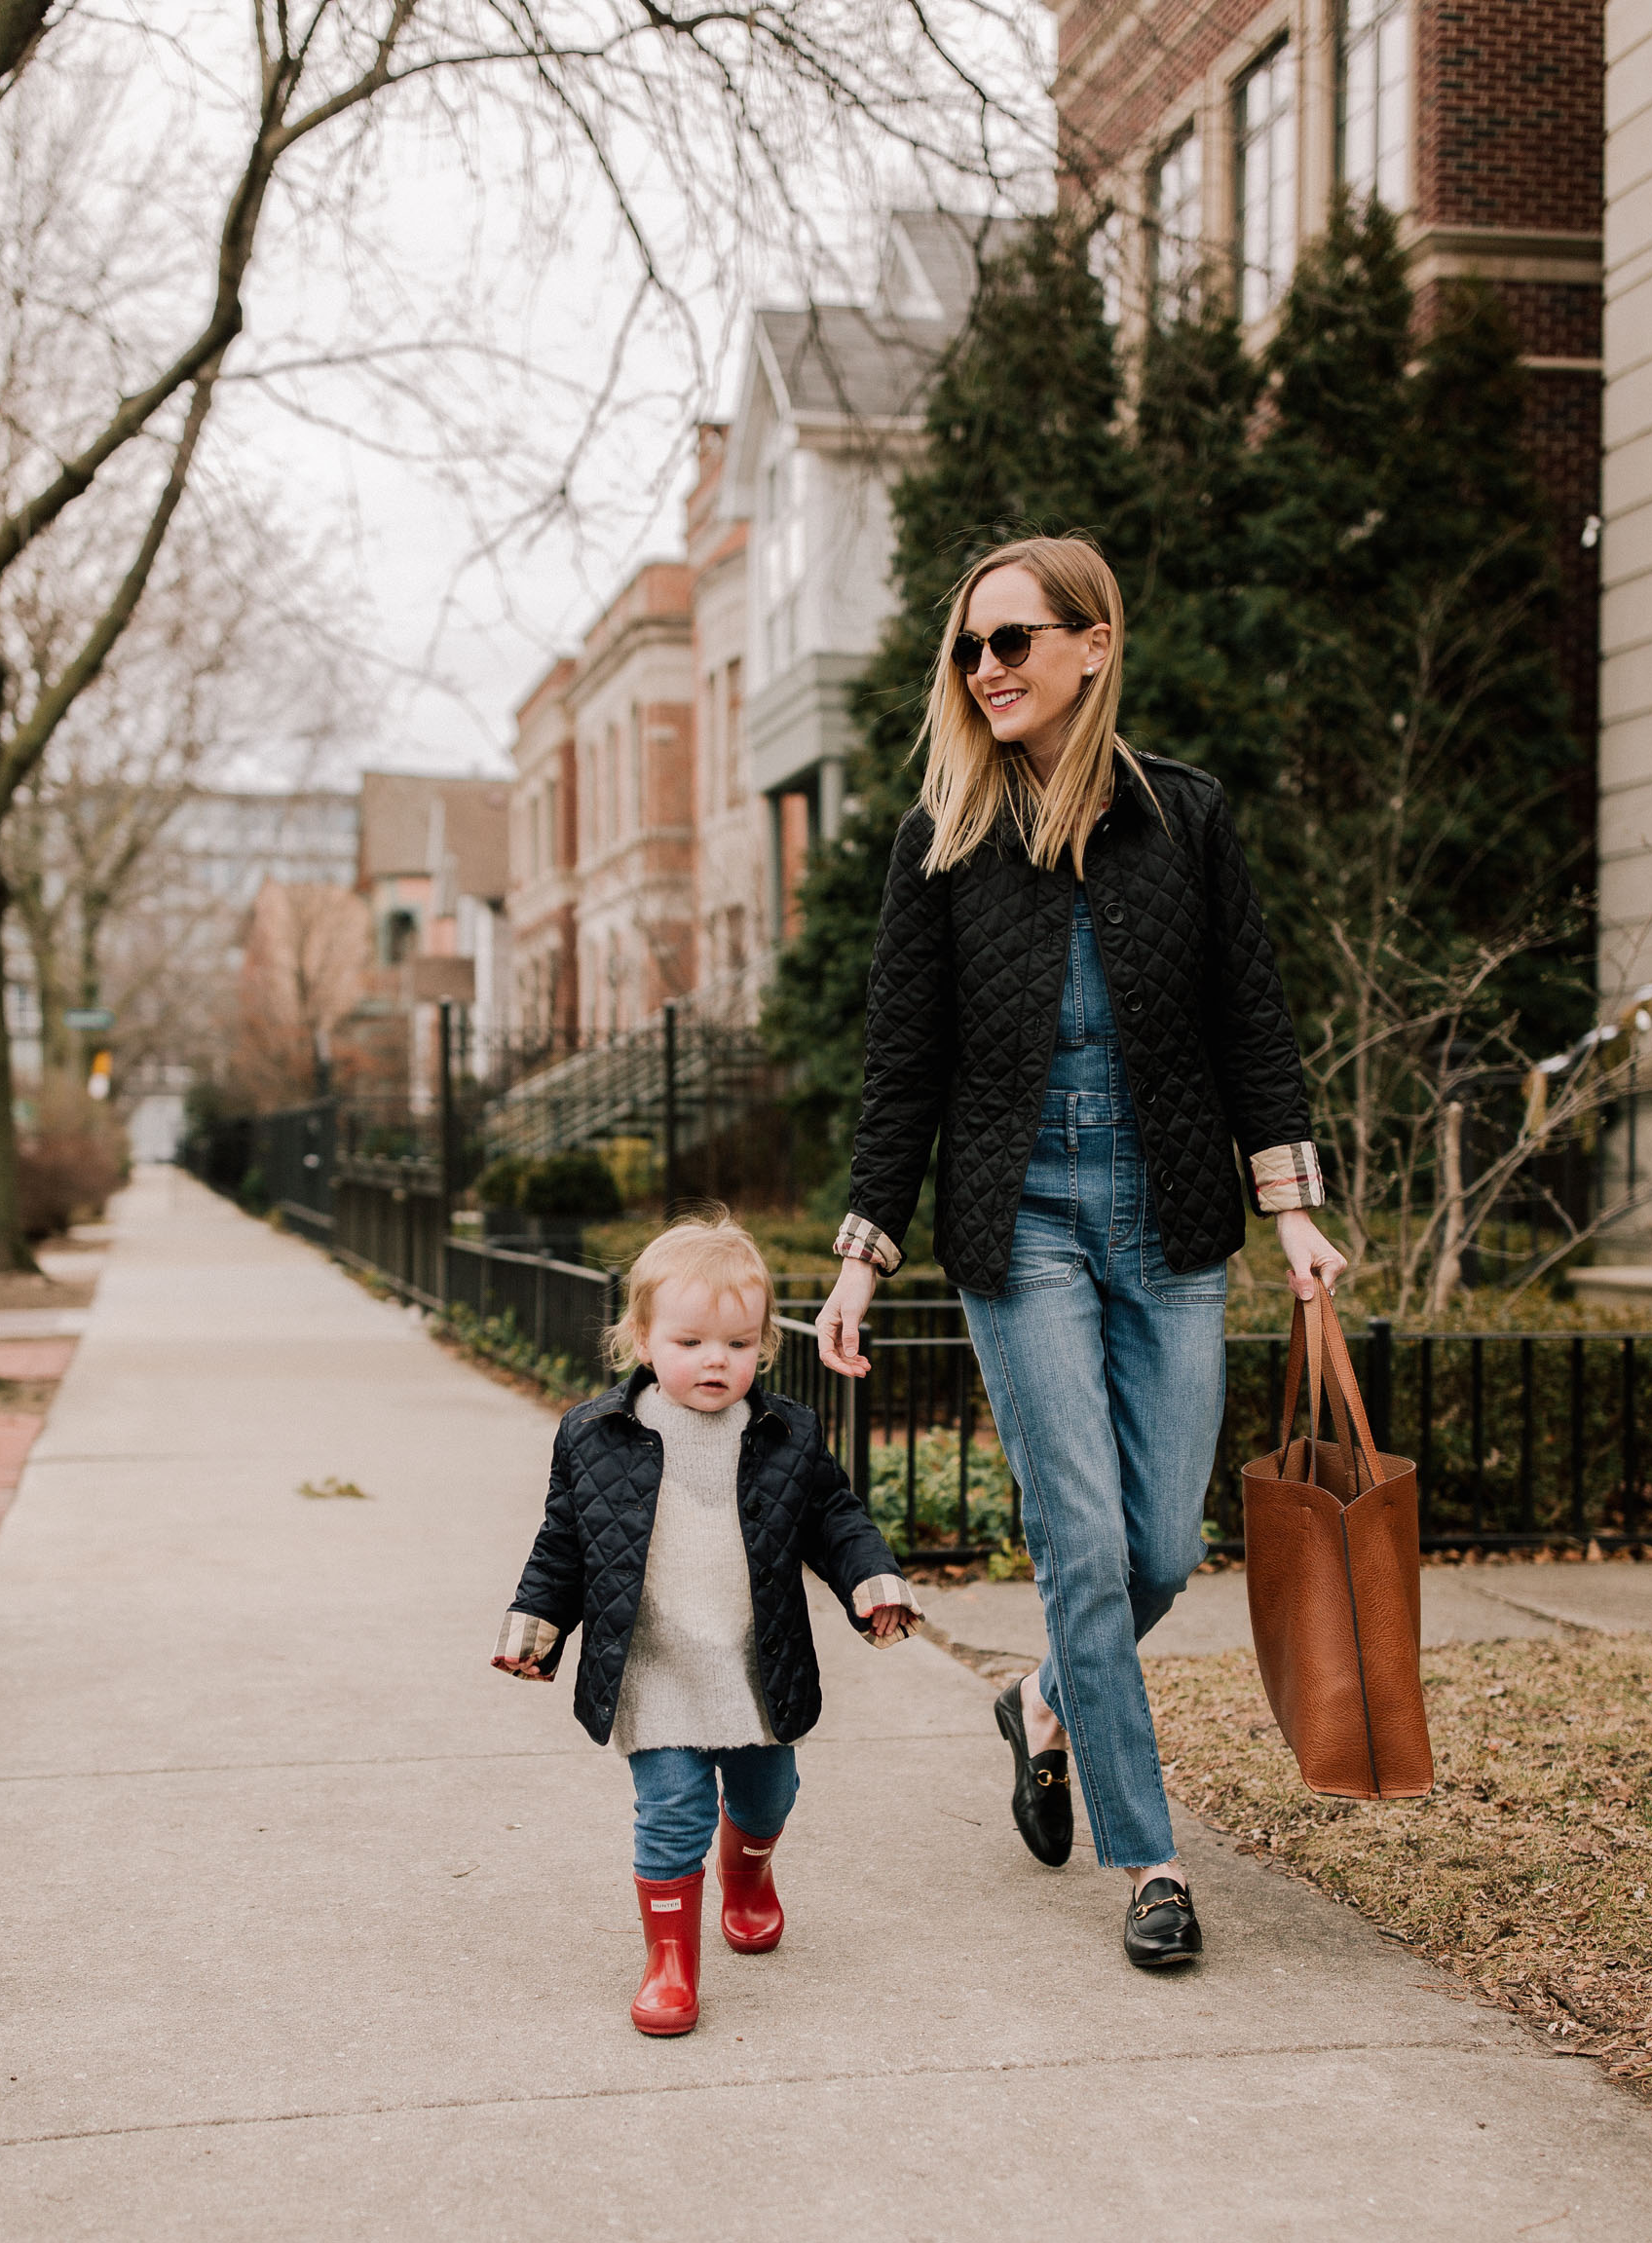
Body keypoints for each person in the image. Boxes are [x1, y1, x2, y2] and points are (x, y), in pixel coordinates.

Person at [816, 535, 1346, 1970]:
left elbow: (1253, 1022)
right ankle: (1149, 1860)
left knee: (1161, 1543)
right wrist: (864, 1254)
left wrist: (1291, 1203)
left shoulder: (1186, 817)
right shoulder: (941, 839)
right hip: (1020, 1223)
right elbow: (901, 1065)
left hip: (1168, 1213)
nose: (986, 669)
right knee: (1083, 1550)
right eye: (968, 650)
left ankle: (1041, 1698)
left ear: (1093, 645)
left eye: (1013, 641)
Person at [494, 1215, 920, 2036]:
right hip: (651, 1668)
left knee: (767, 1797)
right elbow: (565, 1540)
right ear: (642, 1339)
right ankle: (670, 1962)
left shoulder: (786, 1431)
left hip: (754, 1664)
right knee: (671, 1810)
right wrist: (536, 1625)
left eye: (737, 1342)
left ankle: (750, 1870)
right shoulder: (594, 1436)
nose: (715, 1360)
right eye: (690, 1341)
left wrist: (871, 1578)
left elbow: (833, 1516)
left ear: (763, 1345)